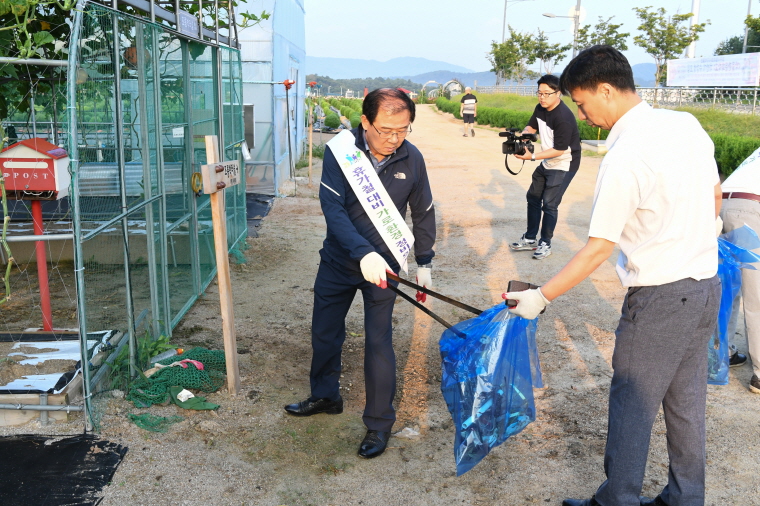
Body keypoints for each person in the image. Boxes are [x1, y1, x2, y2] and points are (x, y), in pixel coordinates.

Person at [503, 46, 722, 506]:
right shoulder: (685, 125)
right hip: (706, 285)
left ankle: (617, 499)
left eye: (582, 103)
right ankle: (686, 497)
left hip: (662, 295)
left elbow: (599, 247)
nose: (581, 114)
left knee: (632, 404)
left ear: (606, 89)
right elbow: (715, 196)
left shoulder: (625, 155)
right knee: (686, 405)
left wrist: (541, 296)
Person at [284, 88, 436, 459]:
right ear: (365, 121)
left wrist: (425, 261)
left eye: (403, 130)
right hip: (339, 260)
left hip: (385, 268)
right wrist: (361, 252)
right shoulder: (342, 151)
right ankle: (325, 395)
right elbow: (332, 209)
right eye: (385, 129)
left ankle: (379, 423)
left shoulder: (412, 159)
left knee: (379, 342)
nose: (393, 138)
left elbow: (424, 210)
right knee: (324, 332)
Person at [509, 74, 581, 260]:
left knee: (549, 203)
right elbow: (531, 126)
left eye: (547, 93)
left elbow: (559, 149)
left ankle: (545, 242)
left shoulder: (563, 117)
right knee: (532, 197)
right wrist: (525, 136)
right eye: (539, 93)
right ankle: (530, 238)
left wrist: (531, 156)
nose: (542, 97)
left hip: (565, 162)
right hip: (547, 160)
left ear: (559, 93)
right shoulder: (540, 108)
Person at [721, 146, 760, 393]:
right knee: (756, 293)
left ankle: (721, 353)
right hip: (751, 207)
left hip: (723, 201)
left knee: (729, 285)